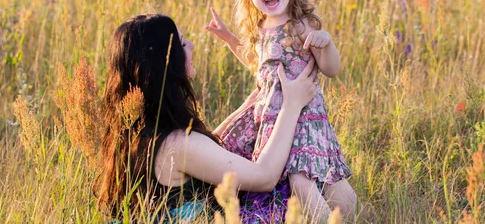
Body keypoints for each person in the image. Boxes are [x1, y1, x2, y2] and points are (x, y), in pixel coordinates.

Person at [92, 14, 318, 222]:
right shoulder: (178, 144)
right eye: (181, 44)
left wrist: (247, 106)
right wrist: (292, 105)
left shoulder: (137, 131)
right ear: (165, 63)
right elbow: (265, 177)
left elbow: (205, 148)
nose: (190, 45)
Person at [206, 0, 358, 221]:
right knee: (309, 178)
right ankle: (346, 214)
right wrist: (229, 39)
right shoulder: (260, 28)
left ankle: (342, 215)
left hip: (303, 118)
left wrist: (326, 44)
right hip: (273, 122)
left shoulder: (301, 25)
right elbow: (257, 64)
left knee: (305, 179)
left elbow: (330, 69)